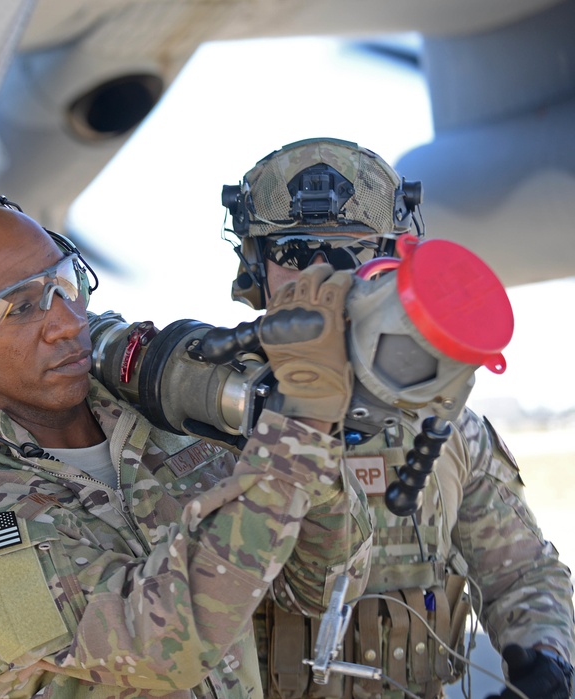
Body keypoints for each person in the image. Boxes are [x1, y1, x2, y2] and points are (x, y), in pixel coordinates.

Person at [0, 180, 373, 698]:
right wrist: (293, 442)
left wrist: (302, 436)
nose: (66, 322)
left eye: (63, 283)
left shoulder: (162, 416)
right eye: (19, 308)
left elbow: (325, 587)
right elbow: (159, 645)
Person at [218, 138, 575, 699]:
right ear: (254, 265)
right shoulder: (206, 418)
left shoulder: (453, 433)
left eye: (348, 249)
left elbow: (522, 574)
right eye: (291, 250)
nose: (320, 274)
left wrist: (544, 656)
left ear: (390, 259)